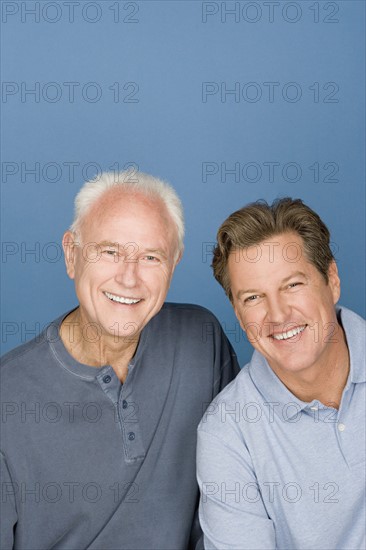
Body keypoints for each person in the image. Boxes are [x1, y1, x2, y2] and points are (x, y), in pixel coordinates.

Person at [1, 171, 239, 549]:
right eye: (110, 252)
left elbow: (239, 493)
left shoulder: (201, 341)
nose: (129, 278)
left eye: (150, 256)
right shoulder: (7, 399)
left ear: (174, 262)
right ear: (71, 254)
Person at [197, 198, 365, 550]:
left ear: (331, 280)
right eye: (254, 297)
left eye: (292, 285)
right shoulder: (227, 433)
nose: (278, 314)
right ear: (238, 313)